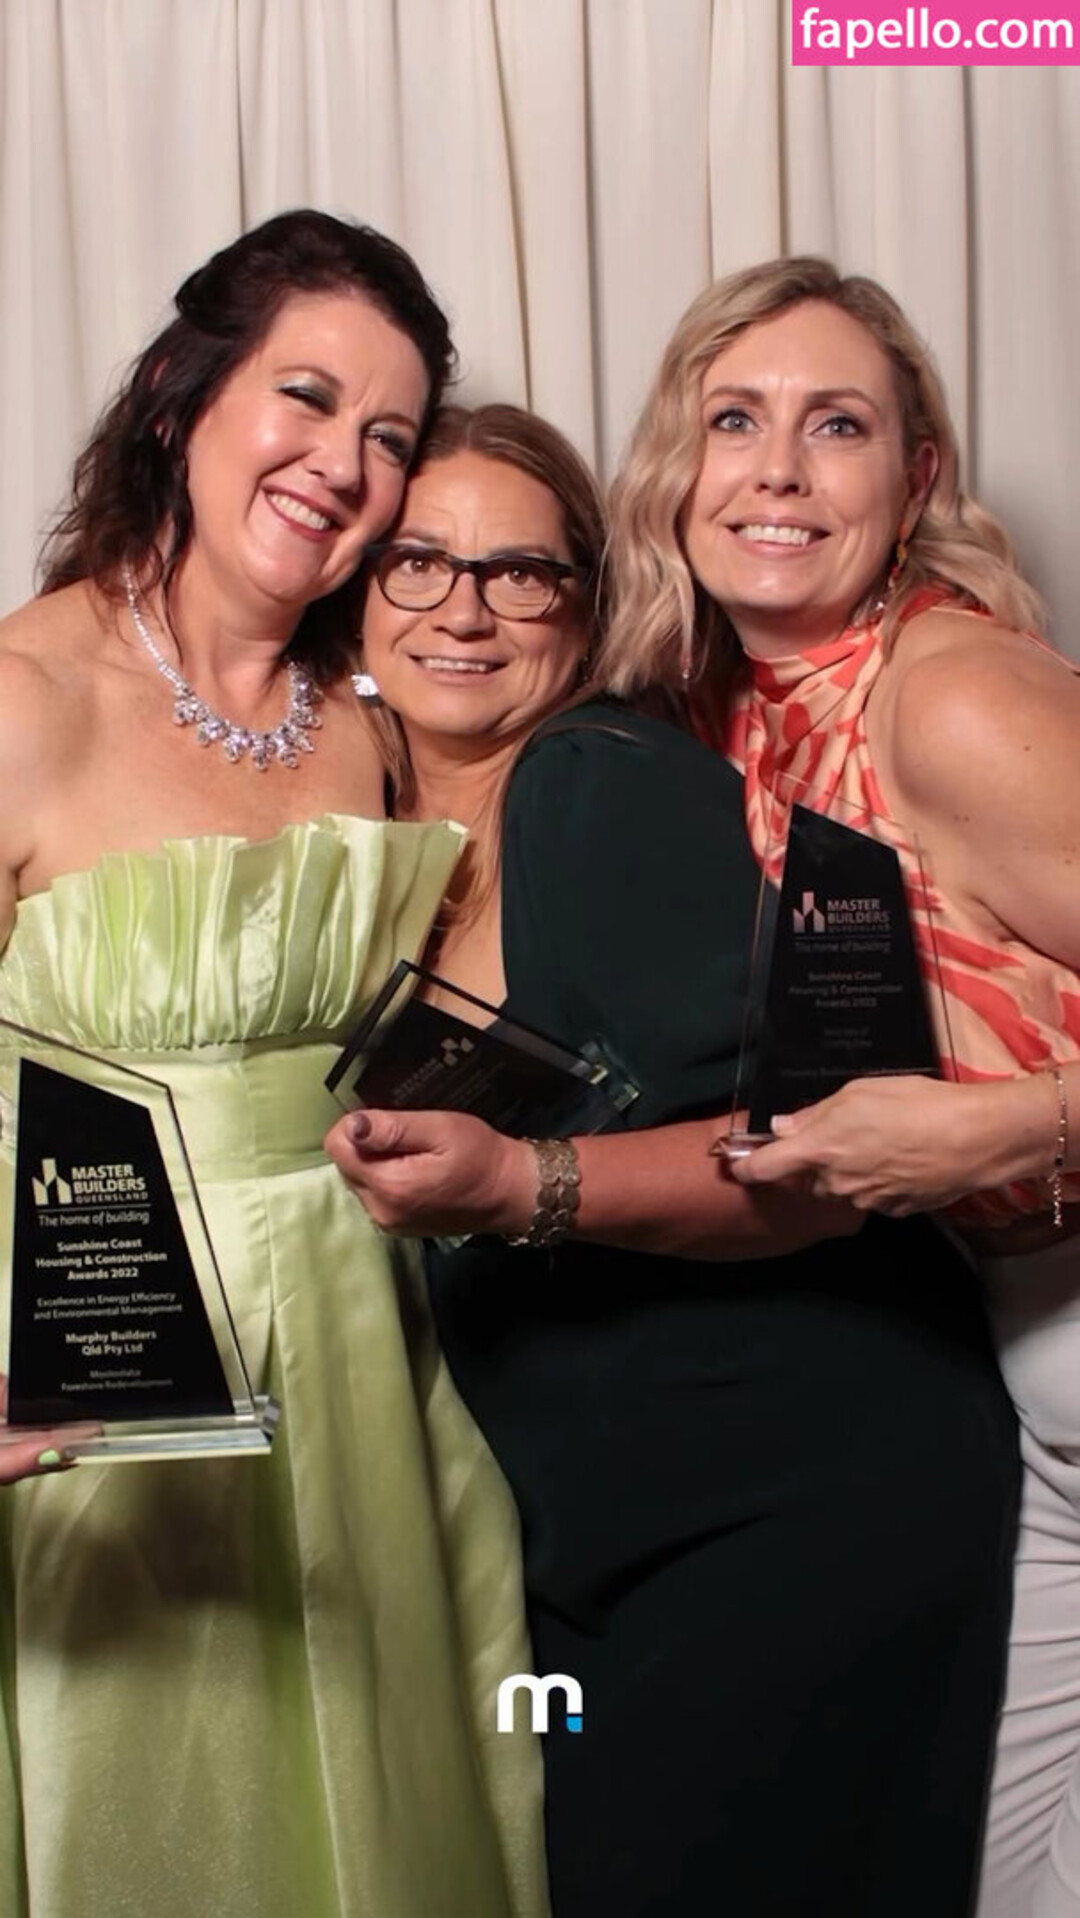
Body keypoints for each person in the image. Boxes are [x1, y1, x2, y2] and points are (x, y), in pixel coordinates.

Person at [326, 401, 1020, 1917]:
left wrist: (522, 1186)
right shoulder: (372, 849)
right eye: (418, 562)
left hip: (795, 1493)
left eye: (522, 574)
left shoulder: (597, 786)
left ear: (586, 611)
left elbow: (814, 1153)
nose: (463, 610)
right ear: (358, 594)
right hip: (602, 1533)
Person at [0, 213, 546, 1918]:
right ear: (183, 394)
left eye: (389, 435)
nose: (343, 465)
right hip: (107, 1398)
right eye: (305, 397)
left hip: (371, 1368)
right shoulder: (22, 700)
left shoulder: (376, 725)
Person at [600, 255, 1080, 1917]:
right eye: (736, 420)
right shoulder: (727, 707)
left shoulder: (953, 698)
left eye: (839, 425)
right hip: (1026, 1356)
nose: (781, 471)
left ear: (916, 475)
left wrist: (1017, 1122)